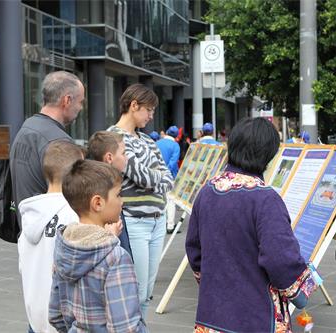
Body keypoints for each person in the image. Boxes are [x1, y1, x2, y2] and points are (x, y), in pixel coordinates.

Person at [186, 117, 309, 332]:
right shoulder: (265, 198)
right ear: (268, 154)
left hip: (212, 314)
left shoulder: (207, 191)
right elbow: (280, 259)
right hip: (255, 315)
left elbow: (195, 252)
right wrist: (301, 291)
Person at [49, 160, 147, 332]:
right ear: (98, 203)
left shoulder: (65, 246)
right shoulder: (115, 257)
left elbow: (55, 315)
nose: (122, 201)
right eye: (118, 195)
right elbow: (125, 328)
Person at [107, 83, 173, 317]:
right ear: (134, 105)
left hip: (157, 220)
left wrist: (148, 174)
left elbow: (168, 179)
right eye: (149, 110)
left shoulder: (146, 140)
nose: (151, 115)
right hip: (134, 221)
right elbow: (143, 177)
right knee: (137, 291)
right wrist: (151, 175)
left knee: (147, 292)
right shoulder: (114, 137)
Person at [18, 141, 84, 333]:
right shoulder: (74, 213)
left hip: (36, 319)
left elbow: (24, 267)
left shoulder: (30, 213)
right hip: (64, 321)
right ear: (76, 173)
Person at [10, 71, 85, 217]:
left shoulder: (26, 128)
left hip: (28, 228)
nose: (81, 108)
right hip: (51, 232)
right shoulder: (59, 142)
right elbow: (73, 197)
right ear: (67, 100)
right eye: (80, 102)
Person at [87, 131, 132, 260]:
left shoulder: (102, 185)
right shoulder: (103, 192)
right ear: (109, 158)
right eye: (123, 153)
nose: (126, 158)